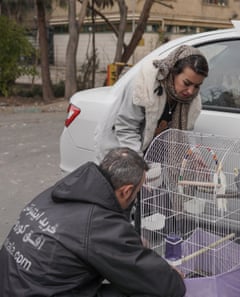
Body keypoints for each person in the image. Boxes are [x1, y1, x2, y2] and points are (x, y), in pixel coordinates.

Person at [0, 147, 186, 297]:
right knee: (152, 290)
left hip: (12, 286)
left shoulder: (58, 193)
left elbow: (93, 241)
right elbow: (167, 286)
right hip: (41, 291)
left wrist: (131, 244)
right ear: (126, 191)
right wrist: (171, 276)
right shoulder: (100, 224)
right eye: (138, 192)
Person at [95, 45, 209, 162]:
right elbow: (126, 128)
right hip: (121, 152)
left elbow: (186, 132)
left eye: (197, 86)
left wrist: (193, 153)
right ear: (173, 72)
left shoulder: (192, 99)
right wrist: (138, 165)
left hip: (153, 159)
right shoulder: (145, 83)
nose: (191, 91)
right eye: (186, 83)